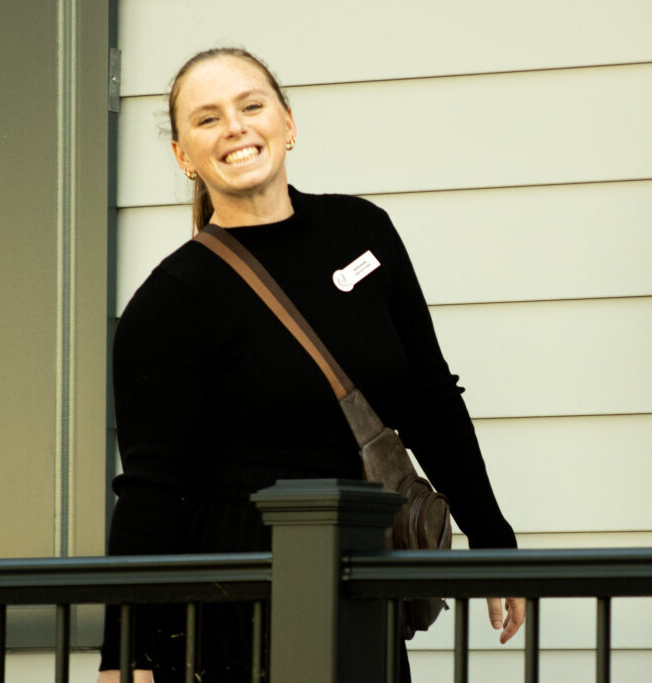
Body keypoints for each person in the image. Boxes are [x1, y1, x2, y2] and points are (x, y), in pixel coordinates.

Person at [97, 47, 524, 683]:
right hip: (235, 602)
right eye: (207, 119)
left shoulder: (362, 230)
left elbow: (430, 401)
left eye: (250, 105)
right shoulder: (172, 301)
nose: (235, 126)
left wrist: (493, 540)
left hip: (360, 581)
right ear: (184, 155)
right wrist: (125, 659)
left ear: (288, 124)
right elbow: (151, 494)